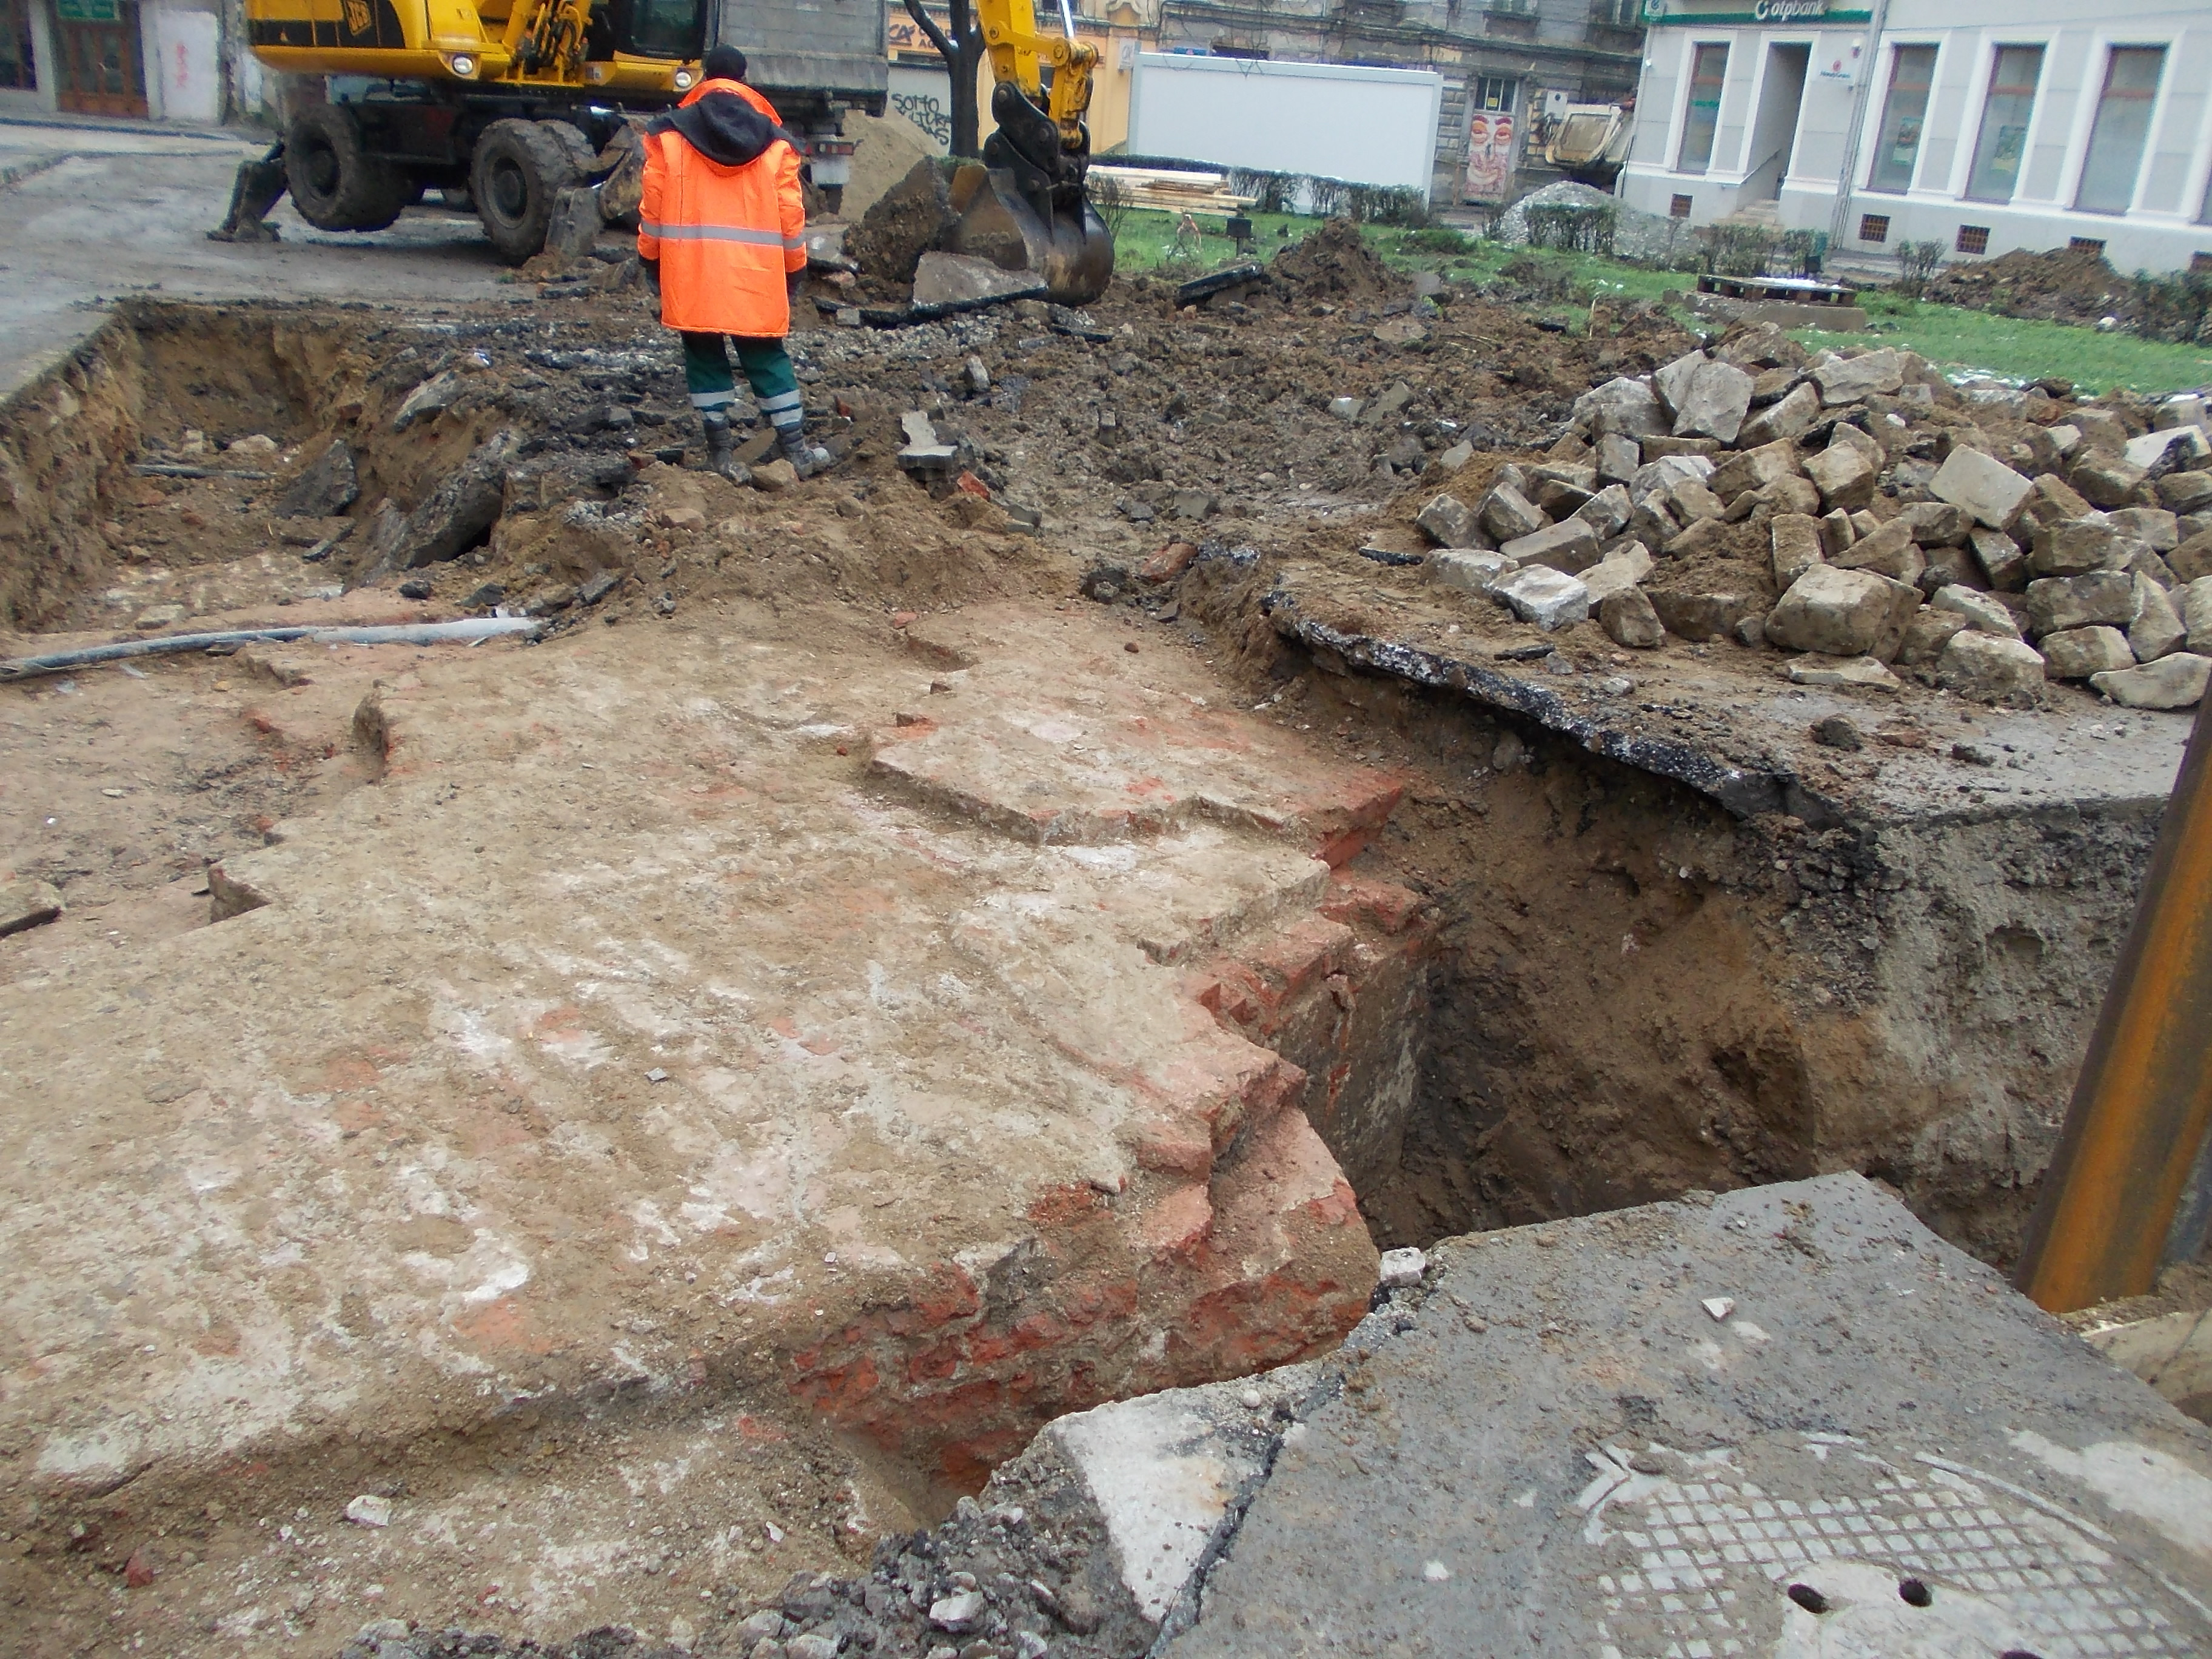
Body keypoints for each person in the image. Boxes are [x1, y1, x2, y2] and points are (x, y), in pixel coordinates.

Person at [637, 45, 831, 480]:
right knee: (766, 355)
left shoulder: (670, 137)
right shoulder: (776, 144)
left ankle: (721, 455)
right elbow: (790, 216)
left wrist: (650, 259)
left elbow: (653, 207)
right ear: (744, 79)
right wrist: (795, 268)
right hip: (756, 275)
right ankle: (795, 450)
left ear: (706, 76)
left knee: (704, 354)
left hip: (693, 271)